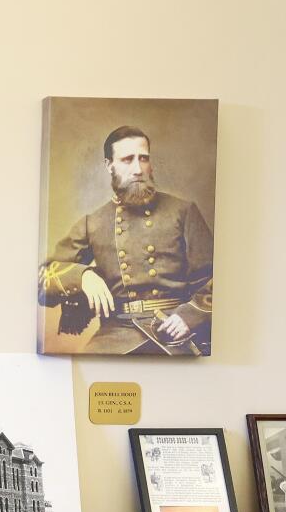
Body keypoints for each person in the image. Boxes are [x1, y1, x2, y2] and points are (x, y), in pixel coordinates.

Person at [40, 126, 213, 354]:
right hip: (117, 334)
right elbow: (42, 280)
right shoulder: (93, 222)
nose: (138, 169)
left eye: (143, 158)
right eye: (127, 159)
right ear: (109, 165)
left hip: (174, 329)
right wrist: (83, 277)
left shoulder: (183, 211)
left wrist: (191, 316)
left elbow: (215, 279)